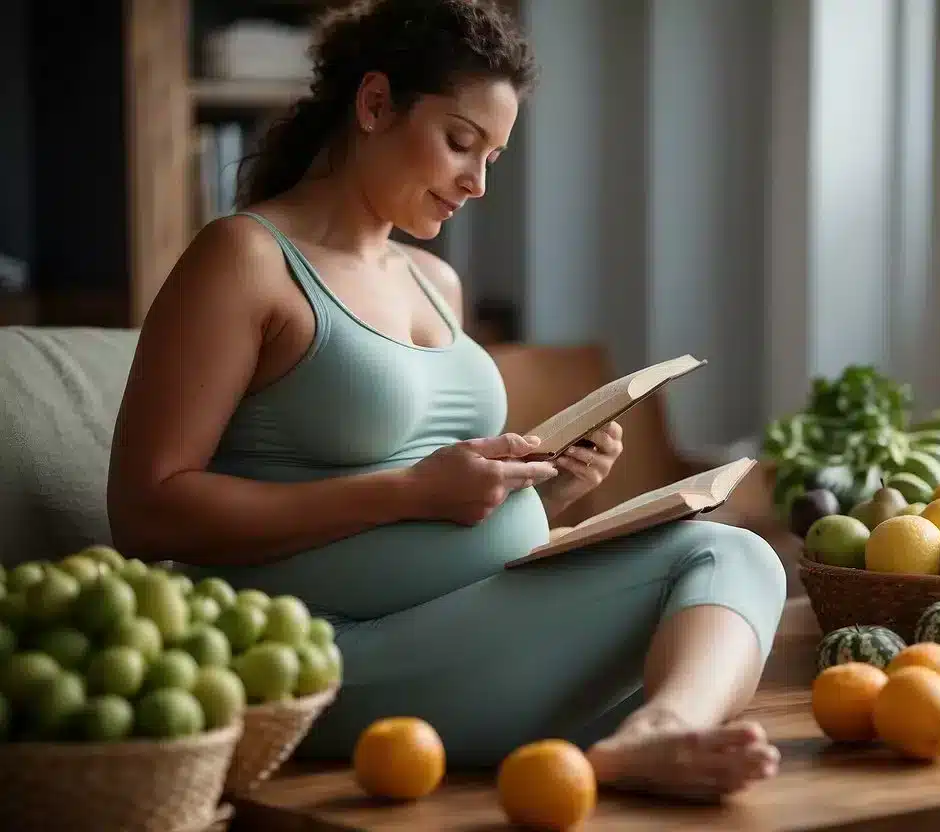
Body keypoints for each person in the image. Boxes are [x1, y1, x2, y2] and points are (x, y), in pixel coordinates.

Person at [107, 0, 787, 800]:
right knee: (715, 573)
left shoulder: (436, 282)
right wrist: (410, 493)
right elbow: (147, 509)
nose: (477, 182)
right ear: (372, 105)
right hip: (318, 652)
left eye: (493, 155)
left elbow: (450, 507)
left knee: (733, 549)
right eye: (461, 143)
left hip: (461, 626)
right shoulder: (246, 259)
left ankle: (655, 730)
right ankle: (656, 731)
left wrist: (551, 488)